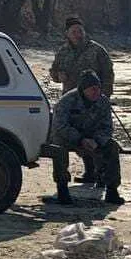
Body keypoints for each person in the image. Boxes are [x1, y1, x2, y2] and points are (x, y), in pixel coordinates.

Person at [50, 17, 115, 185]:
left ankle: (97, 174)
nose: (78, 34)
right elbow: (53, 71)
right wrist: (58, 76)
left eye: (80, 31)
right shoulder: (63, 51)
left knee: (94, 133)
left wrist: (104, 97)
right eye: (74, 32)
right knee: (68, 134)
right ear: (67, 34)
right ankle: (65, 182)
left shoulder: (97, 50)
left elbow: (108, 73)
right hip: (71, 101)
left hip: (94, 99)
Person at [49, 70, 124, 206]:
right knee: (58, 149)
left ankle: (112, 190)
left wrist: (97, 141)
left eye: (98, 89)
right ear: (83, 90)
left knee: (112, 147)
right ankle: (62, 190)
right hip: (68, 137)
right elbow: (60, 127)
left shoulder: (103, 102)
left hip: (92, 137)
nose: (96, 92)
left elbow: (107, 128)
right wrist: (80, 139)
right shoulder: (66, 101)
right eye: (92, 89)